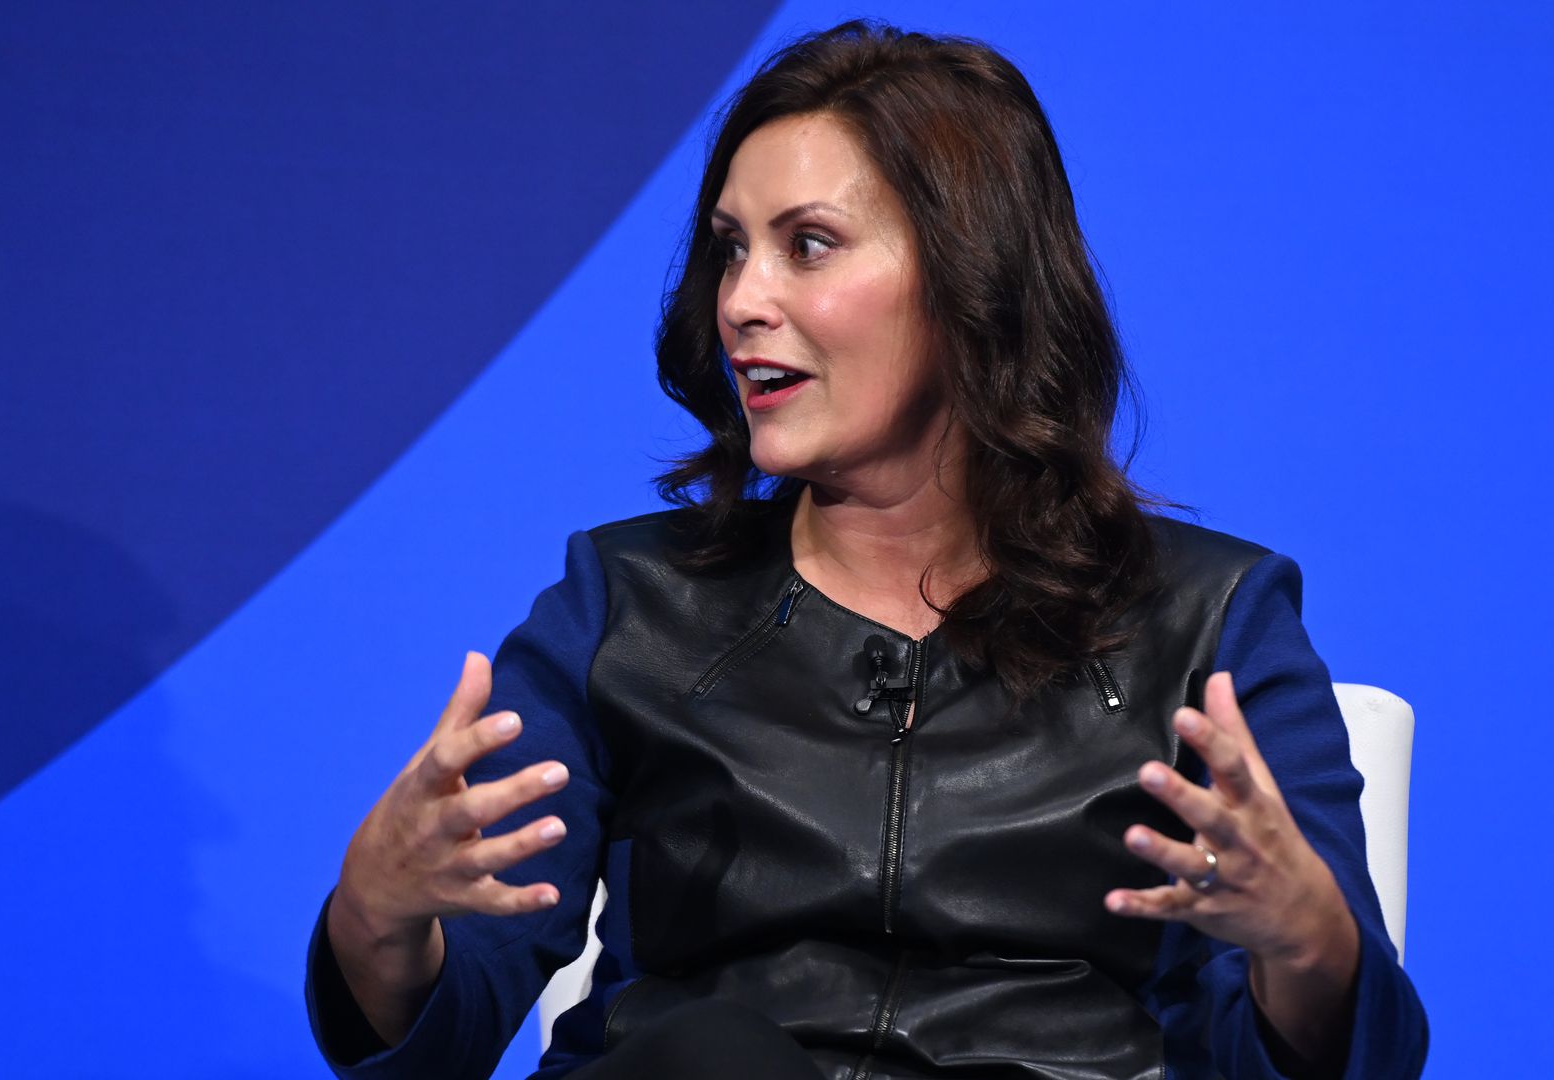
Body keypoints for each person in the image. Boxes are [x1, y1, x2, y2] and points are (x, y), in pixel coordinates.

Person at [304, 19, 1429, 1080]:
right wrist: (378, 913)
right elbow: (441, 1036)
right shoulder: (627, 605)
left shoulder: (1207, 623)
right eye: (730, 252)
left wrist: (1304, 940)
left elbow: (1334, 1052)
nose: (743, 300)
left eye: (809, 247)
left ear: (969, 278)